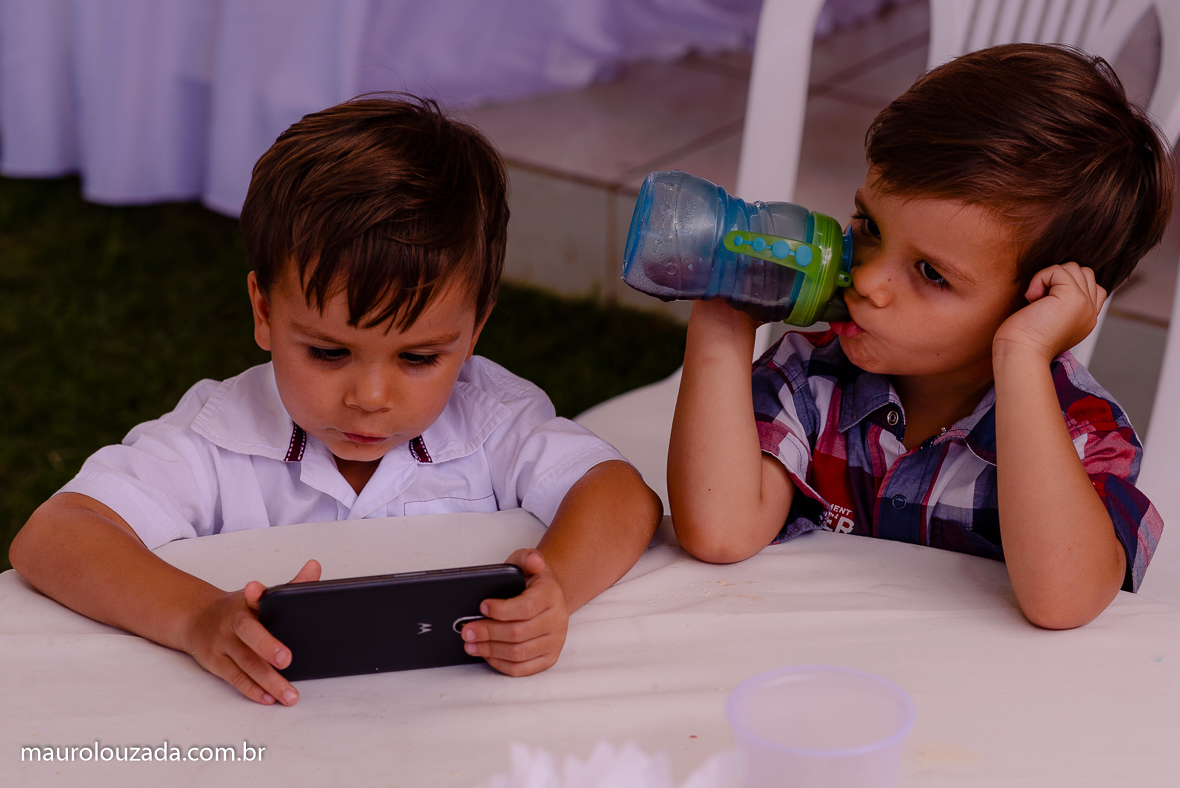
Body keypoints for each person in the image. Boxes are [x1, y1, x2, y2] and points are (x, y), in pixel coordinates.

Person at [9, 96, 663, 705]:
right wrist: (196, 616)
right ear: (264, 312)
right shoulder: (217, 437)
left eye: (418, 357)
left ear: (473, 333)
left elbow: (621, 497)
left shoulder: (492, 418)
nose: (370, 398)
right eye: (328, 352)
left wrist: (556, 592)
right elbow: (55, 537)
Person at [668, 44, 1173, 630]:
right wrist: (722, 324)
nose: (868, 278)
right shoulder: (809, 381)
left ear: (1036, 303)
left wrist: (1022, 354)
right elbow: (719, 530)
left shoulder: (1082, 429)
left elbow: (1063, 601)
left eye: (931, 273)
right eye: (870, 226)